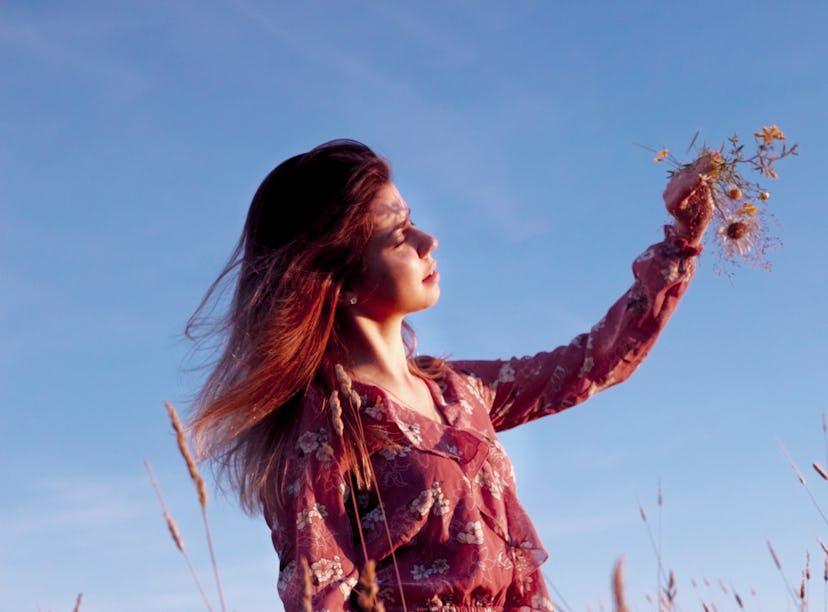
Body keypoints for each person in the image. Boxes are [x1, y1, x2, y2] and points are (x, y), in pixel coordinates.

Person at [187, 139, 715, 610]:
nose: (428, 239)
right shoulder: (323, 427)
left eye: (412, 219)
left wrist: (683, 240)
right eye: (398, 237)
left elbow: (593, 362)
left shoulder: (459, 391)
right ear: (340, 276)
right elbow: (318, 594)